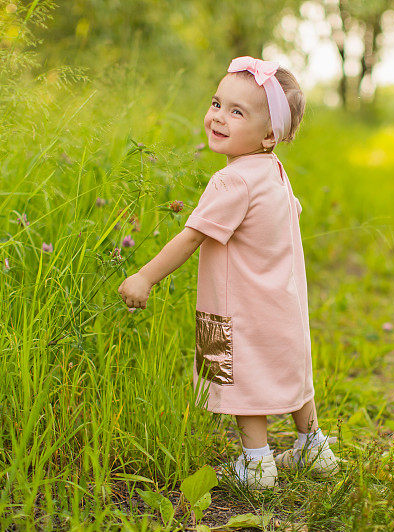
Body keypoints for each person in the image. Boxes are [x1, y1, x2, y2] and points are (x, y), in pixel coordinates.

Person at [117, 56, 340, 491]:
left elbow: (191, 236)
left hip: (238, 305)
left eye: (237, 112)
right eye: (217, 103)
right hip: (282, 299)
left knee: (239, 372)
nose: (218, 117)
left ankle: (256, 464)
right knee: (292, 364)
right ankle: (314, 446)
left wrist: (145, 277)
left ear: (269, 134)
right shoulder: (274, 171)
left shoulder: (231, 182)